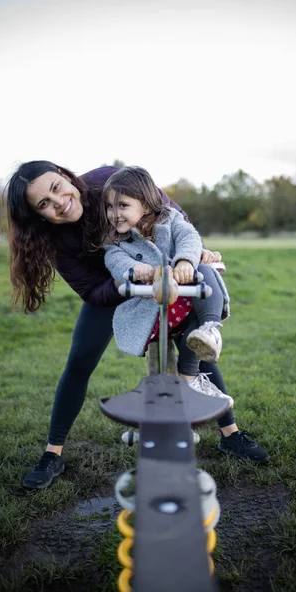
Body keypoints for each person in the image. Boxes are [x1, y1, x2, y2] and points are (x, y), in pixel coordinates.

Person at [5, 160, 270, 491]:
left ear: (66, 177)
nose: (58, 203)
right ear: (38, 214)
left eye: (57, 188)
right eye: (44, 203)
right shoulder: (56, 241)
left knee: (196, 342)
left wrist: (190, 256)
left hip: (163, 272)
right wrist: (126, 282)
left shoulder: (108, 181)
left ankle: (230, 434)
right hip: (116, 288)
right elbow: (90, 290)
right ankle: (51, 453)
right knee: (79, 361)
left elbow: (169, 213)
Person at [101, 166, 232, 409]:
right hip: (151, 311)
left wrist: (185, 261)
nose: (114, 214)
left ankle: (209, 332)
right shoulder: (115, 242)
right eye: (110, 206)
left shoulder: (170, 218)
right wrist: (136, 270)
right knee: (189, 318)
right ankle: (188, 380)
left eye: (123, 206)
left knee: (205, 273)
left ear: (146, 205)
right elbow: (116, 262)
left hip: (184, 303)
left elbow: (189, 237)